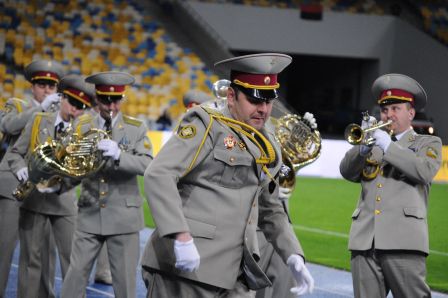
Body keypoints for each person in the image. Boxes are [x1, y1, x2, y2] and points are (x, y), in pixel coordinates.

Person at [141, 53, 314, 297]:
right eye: (255, 100)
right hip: (189, 268)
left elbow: (270, 207)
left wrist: (293, 254)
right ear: (232, 96)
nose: (263, 109)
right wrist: (179, 235)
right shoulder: (206, 124)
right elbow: (159, 174)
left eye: (268, 101)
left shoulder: (269, 141)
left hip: (238, 274)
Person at [339, 73, 442, 297]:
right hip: (365, 241)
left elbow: (423, 171)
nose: (389, 115)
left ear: (411, 112)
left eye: (396, 108)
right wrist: (362, 149)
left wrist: (389, 147)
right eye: (385, 110)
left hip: (404, 241)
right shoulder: (373, 144)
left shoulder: (427, 143)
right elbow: (346, 171)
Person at [60, 71, 153, 298]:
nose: (110, 106)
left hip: (124, 218)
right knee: (74, 278)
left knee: (125, 285)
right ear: (97, 99)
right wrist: (58, 184)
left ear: (122, 99)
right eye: (104, 100)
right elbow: (73, 168)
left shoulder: (136, 127)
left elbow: (147, 164)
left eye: (115, 100)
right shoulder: (82, 126)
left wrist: (119, 155)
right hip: (89, 212)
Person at [7, 74, 94, 298]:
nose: (76, 111)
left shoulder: (84, 130)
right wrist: (19, 169)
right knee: (30, 262)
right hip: (33, 200)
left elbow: (83, 171)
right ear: (62, 98)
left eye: (82, 107)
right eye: (73, 103)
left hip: (63, 202)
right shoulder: (38, 120)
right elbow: (16, 152)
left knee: (73, 264)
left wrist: (63, 183)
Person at [0, 59, 64, 298]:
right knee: (3, 249)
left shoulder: (62, 113)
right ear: (32, 86)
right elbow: (9, 125)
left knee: (44, 252)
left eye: (51, 85)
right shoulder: (16, 104)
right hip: (12, 185)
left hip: (42, 189)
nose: (47, 89)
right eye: (41, 84)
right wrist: (40, 108)